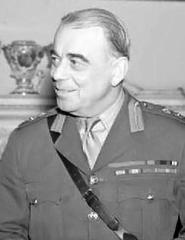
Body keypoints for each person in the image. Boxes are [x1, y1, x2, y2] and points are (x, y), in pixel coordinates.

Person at [0, 7, 185, 240]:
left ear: (116, 71)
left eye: (75, 62)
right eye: (55, 59)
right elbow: (7, 231)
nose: (57, 73)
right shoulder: (25, 142)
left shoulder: (175, 138)